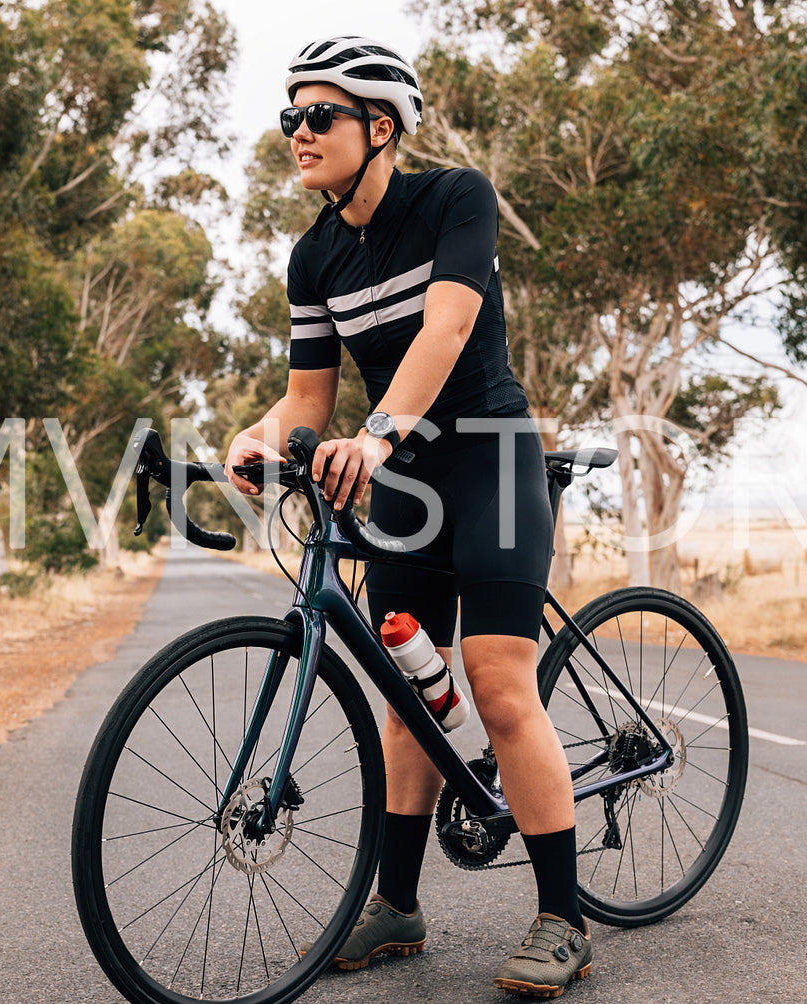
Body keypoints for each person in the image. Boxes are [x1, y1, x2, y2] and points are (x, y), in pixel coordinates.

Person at [223, 35, 591, 998]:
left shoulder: (453, 198)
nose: (297, 133)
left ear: (378, 127)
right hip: (403, 481)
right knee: (404, 699)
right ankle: (398, 906)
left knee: (498, 685)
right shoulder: (314, 256)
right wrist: (258, 435)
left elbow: (448, 328)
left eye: (319, 117)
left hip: (489, 459)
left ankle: (564, 918)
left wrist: (377, 437)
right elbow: (308, 399)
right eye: (289, 118)